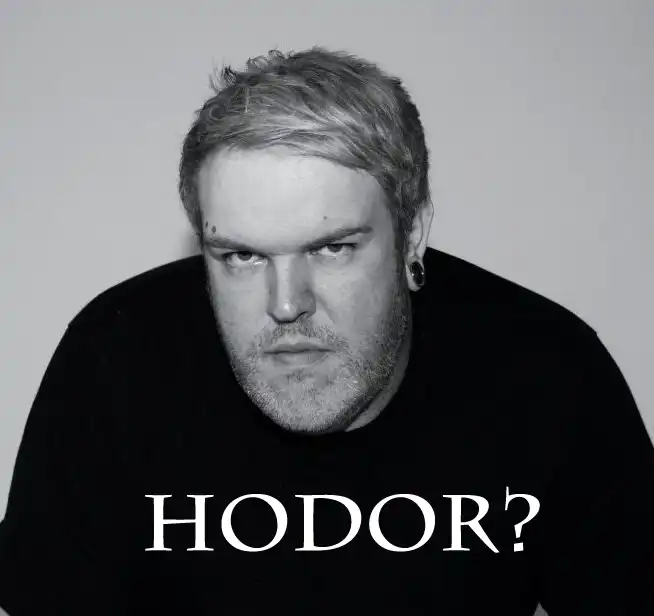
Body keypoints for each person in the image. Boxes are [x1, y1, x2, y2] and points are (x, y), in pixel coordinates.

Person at [0, 46, 652, 616]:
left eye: (331, 248)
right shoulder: (115, 359)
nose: (287, 305)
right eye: (241, 256)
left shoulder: (546, 371)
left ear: (411, 234)